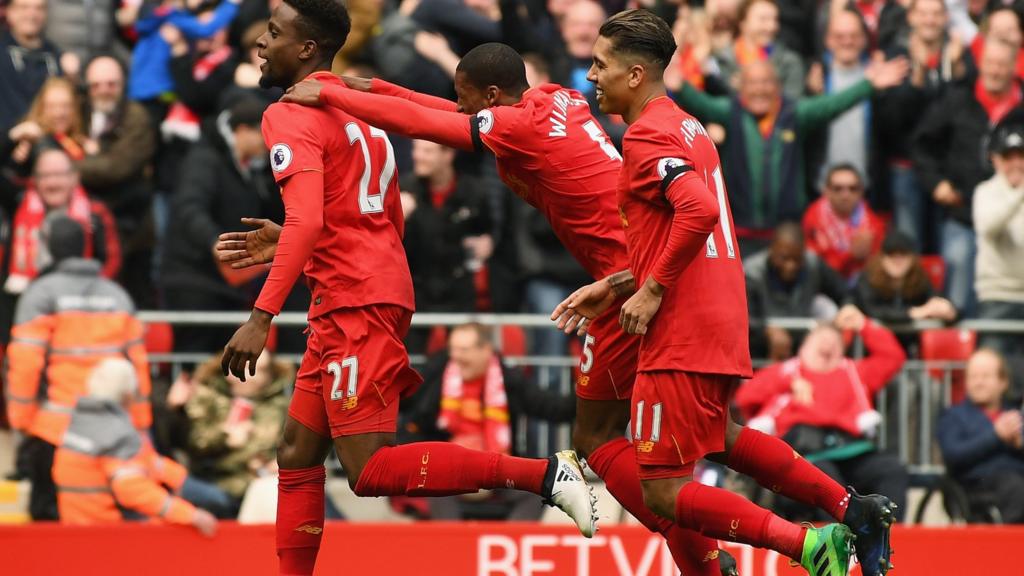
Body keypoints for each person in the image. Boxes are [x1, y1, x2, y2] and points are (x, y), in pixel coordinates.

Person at [277, 40, 735, 575]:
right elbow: (442, 111)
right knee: (696, 435)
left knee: (626, 439)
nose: (461, 105)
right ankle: (721, 551)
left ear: (492, 95)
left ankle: (788, 536)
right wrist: (366, 87)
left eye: (467, 96)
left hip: (628, 285)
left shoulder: (511, 126)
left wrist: (340, 99)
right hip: (636, 276)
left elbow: (426, 124)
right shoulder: (550, 98)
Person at [213, 3, 596, 573]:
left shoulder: (291, 113)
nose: (262, 44)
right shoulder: (362, 109)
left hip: (354, 300)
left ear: (308, 49)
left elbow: (309, 220)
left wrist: (262, 316)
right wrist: (322, 249)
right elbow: (379, 213)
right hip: (359, 288)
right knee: (295, 451)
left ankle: (543, 474)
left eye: (274, 32)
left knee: (368, 471)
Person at [577, 9, 896, 576]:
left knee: (662, 492)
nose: (591, 74)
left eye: (600, 64)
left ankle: (805, 545)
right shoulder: (688, 125)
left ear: (634, 75)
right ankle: (852, 508)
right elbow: (685, 224)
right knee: (721, 438)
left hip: (682, 328)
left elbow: (696, 210)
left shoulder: (647, 134)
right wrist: (622, 281)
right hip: (720, 316)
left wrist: (650, 290)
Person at [674, 54, 906, 254]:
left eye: (766, 82)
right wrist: (678, 84)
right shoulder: (730, 112)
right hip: (739, 231)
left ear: (778, 86)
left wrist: (869, 85)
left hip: (787, 231)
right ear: (741, 87)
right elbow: (700, 103)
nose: (759, 89)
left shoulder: (795, 113)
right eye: (753, 83)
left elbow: (832, 104)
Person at [5, 215, 150, 521]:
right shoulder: (116, 296)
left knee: (51, 526)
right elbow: (136, 368)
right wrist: (139, 424)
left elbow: (26, 364)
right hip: (113, 430)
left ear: (46, 249)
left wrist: (22, 422)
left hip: (56, 431)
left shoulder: (40, 294)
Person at [736, 306, 909, 522]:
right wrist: (788, 382)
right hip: (805, 453)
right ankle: (839, 542)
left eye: (834, 341)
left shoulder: (854, 372)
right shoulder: (785, 373)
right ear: (805, 346)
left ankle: (888, 538)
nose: (828, 344)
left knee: (892, 469)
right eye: (821, 339)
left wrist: (863, 325)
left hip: (850, 449)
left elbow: (892, 357)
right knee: (826, 477)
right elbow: (745, 396)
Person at [401, 323, 576, 520]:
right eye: (453, 349)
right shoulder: (438, 374)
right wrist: (445, 452)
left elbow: (555, 408)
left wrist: (590, 391)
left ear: (485, 350)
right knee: (432, 484)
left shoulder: (508, 379)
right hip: (448, 474)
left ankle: (510, 545)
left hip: (498, 471)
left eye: (464, 350)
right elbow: (409, 420)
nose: (456, 356)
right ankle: (451, 548)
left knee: (537, 488)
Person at [161, 98, 282, 357]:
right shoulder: (205, 160)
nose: (268, 143)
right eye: (263, 135)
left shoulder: (253, 173)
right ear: (241, 131)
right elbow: (189, 207)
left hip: (229, 283)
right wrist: (213, 241)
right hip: (192, 281)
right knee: (195, 356)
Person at [912, 38, 1022, 318]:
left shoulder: (1020, 110)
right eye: (990, 64)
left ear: (1014, 67)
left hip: (1014, 216)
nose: (995, 71)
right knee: (957, 273)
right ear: (980, 64)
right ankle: (961, 355)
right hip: (962, 210)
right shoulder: (958, 99)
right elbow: (921, 144)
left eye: (1001, 65)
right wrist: (936, 182)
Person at [53, 357, 220, 533]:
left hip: (77, 523)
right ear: (127, 395)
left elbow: (145, 462)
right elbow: (132, 490)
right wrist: (189, 515)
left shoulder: (79, 421)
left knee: (207, 495)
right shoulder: (118, 431)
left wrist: (180, 480)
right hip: (111, 529)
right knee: (215, 504)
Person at [77, 56, 157, 307]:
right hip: (87, 228)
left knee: (133, 301)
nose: (104, 91)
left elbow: (118, 167)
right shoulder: (77, 112)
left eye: (111, 84)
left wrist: (71, 166)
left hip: (132, 228)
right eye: (96, 85)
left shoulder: (137, 116)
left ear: (123, 85)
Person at [181, 351, 291, 515]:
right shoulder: (206, 397)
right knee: (215, 499)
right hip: (219, 480)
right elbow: (191, 442)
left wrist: (283, 462)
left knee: (308, 495)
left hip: (265, 480)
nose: (249, 376)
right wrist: (224, 437)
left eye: (259, 370)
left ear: (269, 376)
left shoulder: (281, 406)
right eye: (244, 367)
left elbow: (297, 445)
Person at [6, 149, 120, 294]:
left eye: (59, 175)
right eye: (45, 176)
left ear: (75, 178)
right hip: (26, 294)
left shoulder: (95, 212)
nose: (52, 183)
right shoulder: (18, 207)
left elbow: (112, 261)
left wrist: (92, 291)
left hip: (82, 297)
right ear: (34, 180)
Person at [937, 348, 1024, 523]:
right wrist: (996, 436)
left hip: (1014, 479)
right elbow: (953, 455)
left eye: (985, 376)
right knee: (1014, 487)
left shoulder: (1015, 416)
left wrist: (1019, 444)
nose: (979, 382)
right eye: (973, 377)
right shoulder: (954, 416)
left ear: (1003, 382)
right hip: (974, 485)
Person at [744, 222, 849, 360]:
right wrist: (766, 330)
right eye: (784, 258)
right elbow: (744, 317)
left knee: (826, 308)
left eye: (797, 259)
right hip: (760, 348)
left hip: (805, 345)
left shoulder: (812, 264)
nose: (791, 265)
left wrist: (838, 320)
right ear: (772, 250)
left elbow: (844, 293)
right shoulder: (752, 272)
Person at [973, 116, 1024, 366]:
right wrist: (1019, 195)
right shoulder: (985, 192)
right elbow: (989, 227)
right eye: (1008, 157)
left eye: (1021, 156)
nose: (1015, 163)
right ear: (996, 160)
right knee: (994, 374)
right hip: (997, 297)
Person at [850, 230, 957, 329]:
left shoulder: (919, 279)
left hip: (910, 345)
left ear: (912, 258)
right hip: (872, 344)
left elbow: (938, 299)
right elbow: (871, 310)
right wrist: (914, 313)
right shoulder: (868, 278)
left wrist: (948, 310)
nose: (897, 261)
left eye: (903, 254)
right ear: (882, 258)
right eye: (891, 254)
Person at [802, 163, 886, 282]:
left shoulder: (873, 224)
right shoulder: (813, 219)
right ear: (826, 191)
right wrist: (851, 256)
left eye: (852, 189)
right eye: (838, 189)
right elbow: (816, 267)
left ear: (861, 192)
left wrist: (869, 258)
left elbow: (879, 266)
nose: (845, 195)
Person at [0, 0, 69, 142]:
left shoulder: (58, 58)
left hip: (48, 143)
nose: (31, 14)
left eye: (39, 8)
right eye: (23, 7)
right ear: (9, 12)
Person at [712, 0, 806, 100]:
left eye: (775, 19)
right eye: (763, 19)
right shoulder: (721, 60)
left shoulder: (789, 62)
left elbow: (794, 107)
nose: (772, 26)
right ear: (743, 22)